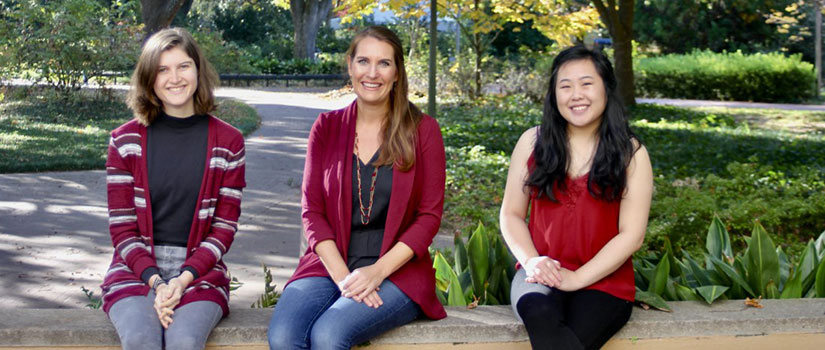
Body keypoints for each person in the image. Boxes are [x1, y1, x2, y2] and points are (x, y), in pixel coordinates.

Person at [267, 25, 447, 349]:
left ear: (397, 72)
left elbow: (429, 217)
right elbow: (312, 211)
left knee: (330, 334)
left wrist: (377, 272)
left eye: (384, 63)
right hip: (330, 265)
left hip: (396, 271)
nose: (372, 73)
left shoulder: (423, 131)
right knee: (284, 336)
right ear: (350, 65)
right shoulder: (326, 127)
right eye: (363, 61)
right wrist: (343, 279)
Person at [100, 27, 246, 350]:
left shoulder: (229, 142)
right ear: (150, 78)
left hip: (200, 272)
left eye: (183, 66)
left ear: (197, 69)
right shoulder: (125, 142)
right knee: (140, 339)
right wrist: (157, 282)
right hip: (135, 270)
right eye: (163, 69)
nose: (174, 78)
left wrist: (180, 281)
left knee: (184, 341)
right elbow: (123, 231)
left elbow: (223, 229)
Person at [499, 45, 653, 349]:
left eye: (586, 83)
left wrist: (577, 278)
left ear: (606, 89)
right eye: (565, 86)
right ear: (554, 95)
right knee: (539, 311)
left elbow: (632, 236)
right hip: (540, 272)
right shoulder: (532, 142)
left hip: (606, 283)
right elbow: (511, 215)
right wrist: (532, 262)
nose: (576, 94)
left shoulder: (631, 153)